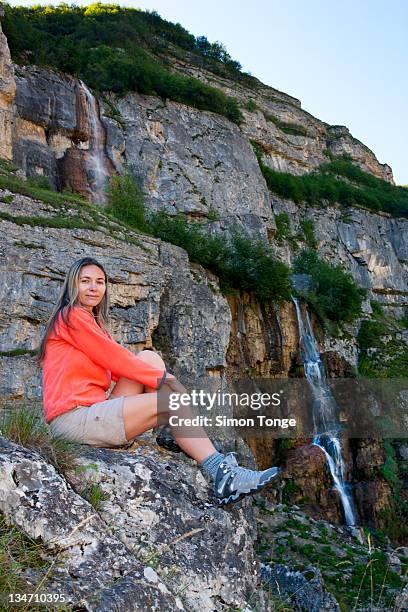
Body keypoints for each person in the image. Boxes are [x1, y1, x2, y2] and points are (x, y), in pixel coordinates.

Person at [38, 256, 281, 506]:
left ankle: (173, 431)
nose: (93, 287)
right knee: (170, 399)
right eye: (85, 281)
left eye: (100, 282)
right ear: (72, 284)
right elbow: (117, 360)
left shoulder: (91, 322)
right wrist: (170, 382)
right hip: (74, 420)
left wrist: (161, 377)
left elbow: (123, 366)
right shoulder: (71, 316)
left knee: (149, 357)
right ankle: (221, 473)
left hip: (94, 413)